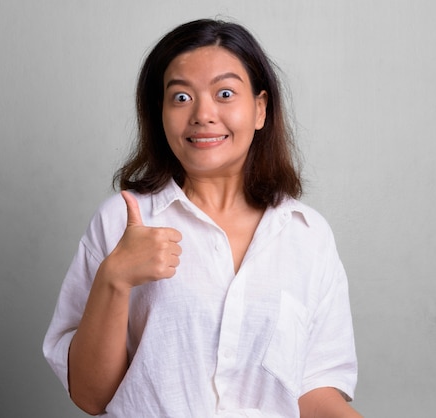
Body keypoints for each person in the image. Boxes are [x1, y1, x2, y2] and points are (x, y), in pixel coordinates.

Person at [43, 18, 362, 418]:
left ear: (260, 109)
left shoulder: (308, 235)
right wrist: (115, 277)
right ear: (159, 112)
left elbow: (311, 391)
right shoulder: (121, 223)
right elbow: (91, 397)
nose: (202, 114)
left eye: (225, 93)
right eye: (180, 98)